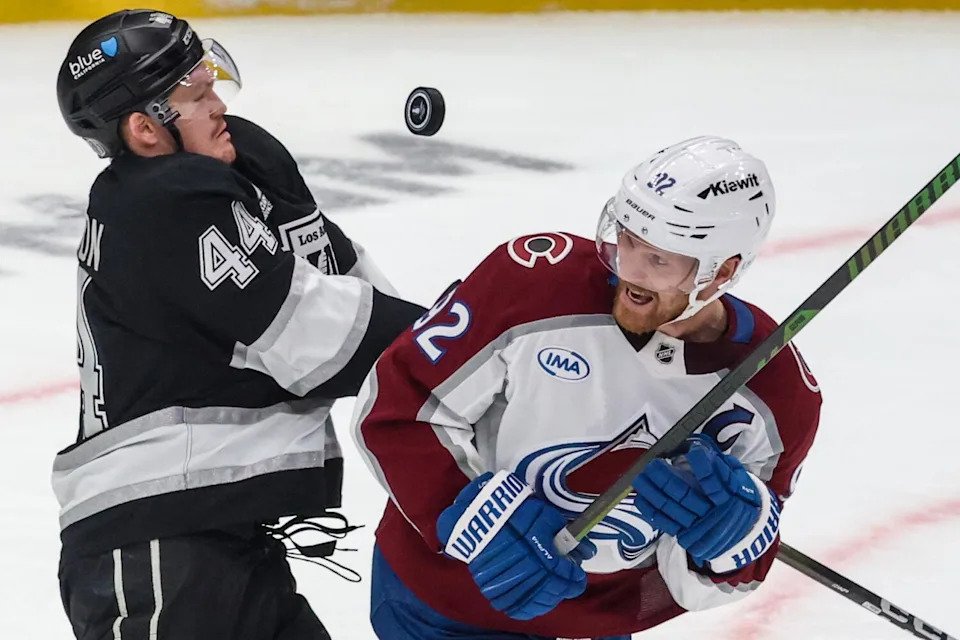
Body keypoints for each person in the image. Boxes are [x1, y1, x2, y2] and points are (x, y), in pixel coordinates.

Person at [351, 136, 822, 639]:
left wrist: (732, 545)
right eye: (628, 238)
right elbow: (398, 408)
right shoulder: (531, 284)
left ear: (721, 271)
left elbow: (715, 580)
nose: (630, 270)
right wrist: (472, 515)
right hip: (442, 606)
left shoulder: (775, 391)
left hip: (590, 625)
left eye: (660, 259)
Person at [53, 9, 425, 640]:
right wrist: (472, 334)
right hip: (154, 547)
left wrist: (292, 210)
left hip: (209, 538)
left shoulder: (203, 189)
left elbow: (348, 296)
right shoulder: (165, 204)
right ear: (146, 129)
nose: (219, 104)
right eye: (197, 96)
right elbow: (320, 340)